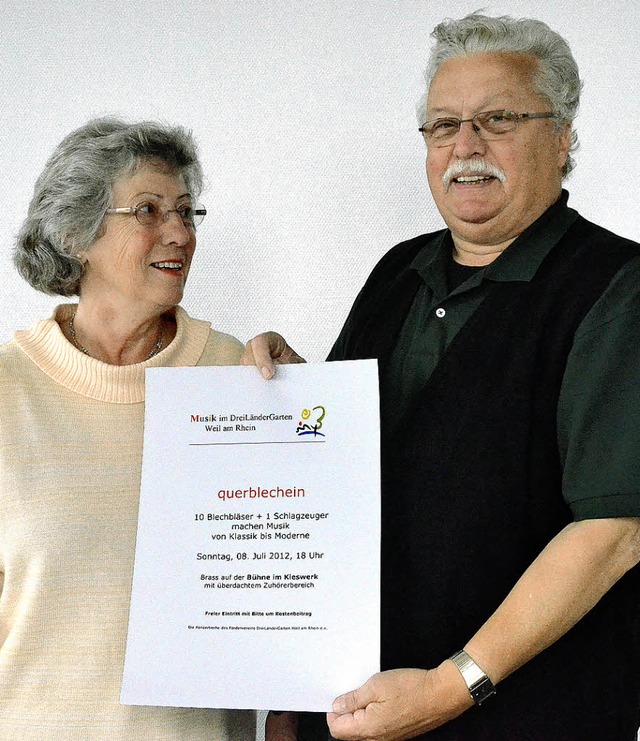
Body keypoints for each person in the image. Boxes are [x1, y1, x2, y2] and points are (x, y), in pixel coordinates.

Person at [245, 13, 640, 741]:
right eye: (443, 125)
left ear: (562, 136)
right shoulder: (399, 271)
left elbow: (615, 529)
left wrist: (454, 684)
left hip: (531, 718)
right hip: (359, 713)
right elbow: (332, 485)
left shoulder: (616, 287)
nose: (465, 147)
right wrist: (285, 390)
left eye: (497, 119)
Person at [1, 118, 256, 739]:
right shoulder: (7, 391)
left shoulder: (241, 374)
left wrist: (314, 406)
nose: (180, 233)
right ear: (76, 234)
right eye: (148, 211)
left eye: (188, 212)